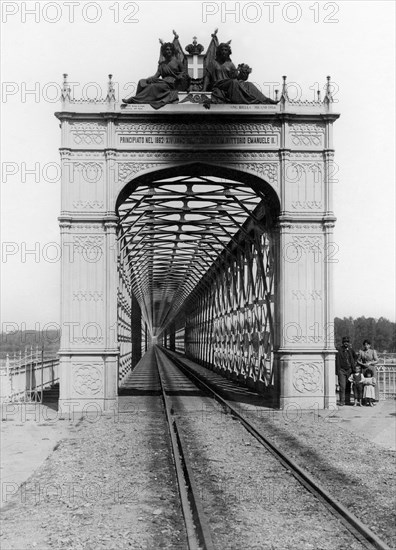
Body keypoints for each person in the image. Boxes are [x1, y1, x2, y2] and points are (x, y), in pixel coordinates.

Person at [203, 43, 277, 105]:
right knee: (233, 82)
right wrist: (203, 90)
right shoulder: (213, 63)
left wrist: (244, 73)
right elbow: (207, 77)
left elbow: (237, 78)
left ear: (228, 52)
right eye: (222, 50)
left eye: (226, 50)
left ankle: (265, 100)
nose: (224, 52)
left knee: (248, 84)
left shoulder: (231, 64)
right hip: (219, 84)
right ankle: (246, 100)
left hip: (229, 84)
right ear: (219, 51)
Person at [122, 42, 188, 110]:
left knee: (152, 86)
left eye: (170, 49)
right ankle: (138, 99)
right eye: (167, 49)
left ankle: (134, 99)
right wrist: (148, 79)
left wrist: (180, 76)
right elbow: (156, 76)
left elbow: (184, 73)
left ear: (172, 51)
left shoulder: (177, 62)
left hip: (171, 84)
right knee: (142, 81)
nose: (169, 51)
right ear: (164, 51)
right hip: (163, 82)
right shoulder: (162, 64)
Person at [336, 336, 357, 406]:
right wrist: (338, 370)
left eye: (347, 342)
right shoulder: (339, 350)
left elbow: (355, 357)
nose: (346, 343)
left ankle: (347, 400)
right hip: (341, 370)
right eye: (345, 342)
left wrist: (353, 365)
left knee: (348, 386)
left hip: (349, 370)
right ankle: (342, 401)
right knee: (342, 386)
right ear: (342, 343)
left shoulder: (351, 350)